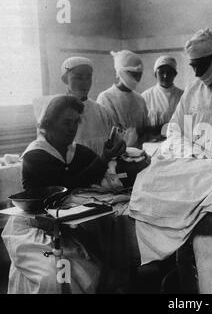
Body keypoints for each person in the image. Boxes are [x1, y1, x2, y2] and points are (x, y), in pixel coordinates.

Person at [128, 29, 212, 281]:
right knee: (149, 180)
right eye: (193, 66)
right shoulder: (194, 90)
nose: (195, 73)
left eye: (201, 65)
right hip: (193, 163)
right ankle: (169, 266)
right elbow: (174, 130)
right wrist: (193, 152)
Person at [2, 95, 126, 294]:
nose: (72, 128)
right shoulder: (35, 156)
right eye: (66, 122)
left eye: (76, 122)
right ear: (49, 124)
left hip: (63, 227)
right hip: (33, 227)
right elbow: (65, 184)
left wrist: (116, 155)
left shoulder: (76, 151)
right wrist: (103, 158)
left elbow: (101, 172)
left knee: (88, 270)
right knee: (53, 274)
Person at [33, 57, 114, 156]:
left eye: (88, 77)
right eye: (78, 77)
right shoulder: (54, 111)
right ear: (65, 79)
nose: (85, 83)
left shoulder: (101, 111)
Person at [97, 50, 149, 147]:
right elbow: (109, 134)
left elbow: (145, 131)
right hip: (116, 154)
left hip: (139, 154)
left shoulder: (140, 99)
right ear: (121, 72)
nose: (137, 78)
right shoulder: (106, 98)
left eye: (139, 74)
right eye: (133, 74)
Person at [141, 56, 183, 140]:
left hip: (177, 143)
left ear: (175, 74)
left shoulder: (183, 96)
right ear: (155, 74)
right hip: (151, 145)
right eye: (161, 72)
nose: (165, 76)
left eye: (169, 72)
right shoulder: (146, 96)